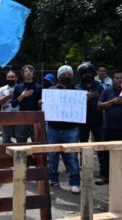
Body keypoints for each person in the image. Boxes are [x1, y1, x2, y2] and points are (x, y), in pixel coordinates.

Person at [97, 71, 122, 186]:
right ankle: (105, 176)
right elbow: (99, 106)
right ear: (113, 79)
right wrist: (113, 101)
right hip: (109, 128)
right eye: (116, 78)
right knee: (106, 153)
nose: (119, 80)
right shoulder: (107, 91)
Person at [46, 65, 81, 194]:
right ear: (58, 76)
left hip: (71, 129)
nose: (66, 76)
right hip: (53, 128)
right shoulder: (51, 90)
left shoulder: (78, 91)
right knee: (52, 155)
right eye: (63, 74)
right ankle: (53, 179)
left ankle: (75, 182)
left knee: (72, 157)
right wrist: (42, 103)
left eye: (68, 75)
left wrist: (85, 99)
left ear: (72, 76)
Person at [11, 65, 42, 143]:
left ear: (33, 74)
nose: (28, 72)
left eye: (30, 71)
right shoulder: (18, 87)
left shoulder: (39, 87)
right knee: (21, 142)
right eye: (26, 71)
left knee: (37, 141)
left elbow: (43, 104)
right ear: (23, 74)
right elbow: (13, 104)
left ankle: (35, 155)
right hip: (22, 117)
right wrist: (22, 95)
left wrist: (40, 103)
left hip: (35, 118)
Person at [75, 62, 103, 143]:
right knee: (83, 143)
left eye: (89, 73)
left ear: (93, 74)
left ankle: (101, 156)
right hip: (82, 122)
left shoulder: (99, 87)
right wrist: (86, 98)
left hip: (98, 121)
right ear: (80, 75)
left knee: (101, 143)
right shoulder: (77, 88)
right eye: (84, 74)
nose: (87, 75)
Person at [0, 70, 19, 143]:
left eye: (12, 77)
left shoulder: (20, 88)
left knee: (20, 140)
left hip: (19, 117)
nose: (10, 79)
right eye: (9, 77)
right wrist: (9, 96)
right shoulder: (1, 89)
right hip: (6, 118)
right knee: (6, 141)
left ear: (16, 78)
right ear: (6, 78)